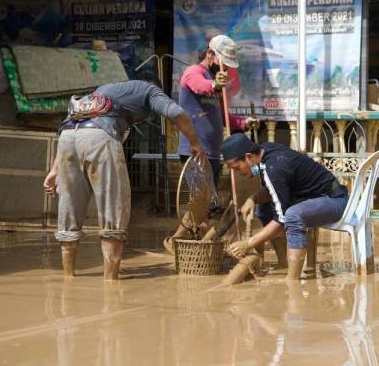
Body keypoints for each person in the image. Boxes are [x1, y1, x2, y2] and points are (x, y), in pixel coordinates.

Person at [43, 80, 205, 280]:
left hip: (67, 138)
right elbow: (177, 113)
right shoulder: (150, 91)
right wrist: (195, 142)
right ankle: (110, 284)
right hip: (99, 135)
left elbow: (77, 124)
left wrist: (53, 171)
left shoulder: (104, 90)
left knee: (69, 210)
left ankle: (68, 279)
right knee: (114, 208)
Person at [164, 35, 257, 253]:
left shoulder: (218, 84)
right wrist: (214, 84)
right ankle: (175, 240)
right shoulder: (194, 73)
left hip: (214, 153)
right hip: (195, 151)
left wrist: (244, 123)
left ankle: (199, 247)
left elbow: (223, 117)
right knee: (199, 200)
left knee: (207, 206)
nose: (224, 67)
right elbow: (200, 86)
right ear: (209, 54)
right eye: (221, 61)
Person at [221, 134, 349, 281]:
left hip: (335, 200)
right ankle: (284, 263)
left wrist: (248, 243)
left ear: (248, 157)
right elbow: (274, 190)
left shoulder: (273, 167)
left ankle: (292, 282)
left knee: (292, 215)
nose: (238, 174)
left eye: (237, 168)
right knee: (263, 209)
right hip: (314, 198)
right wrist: (253, 199)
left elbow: (282, 218)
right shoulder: (265, 152)